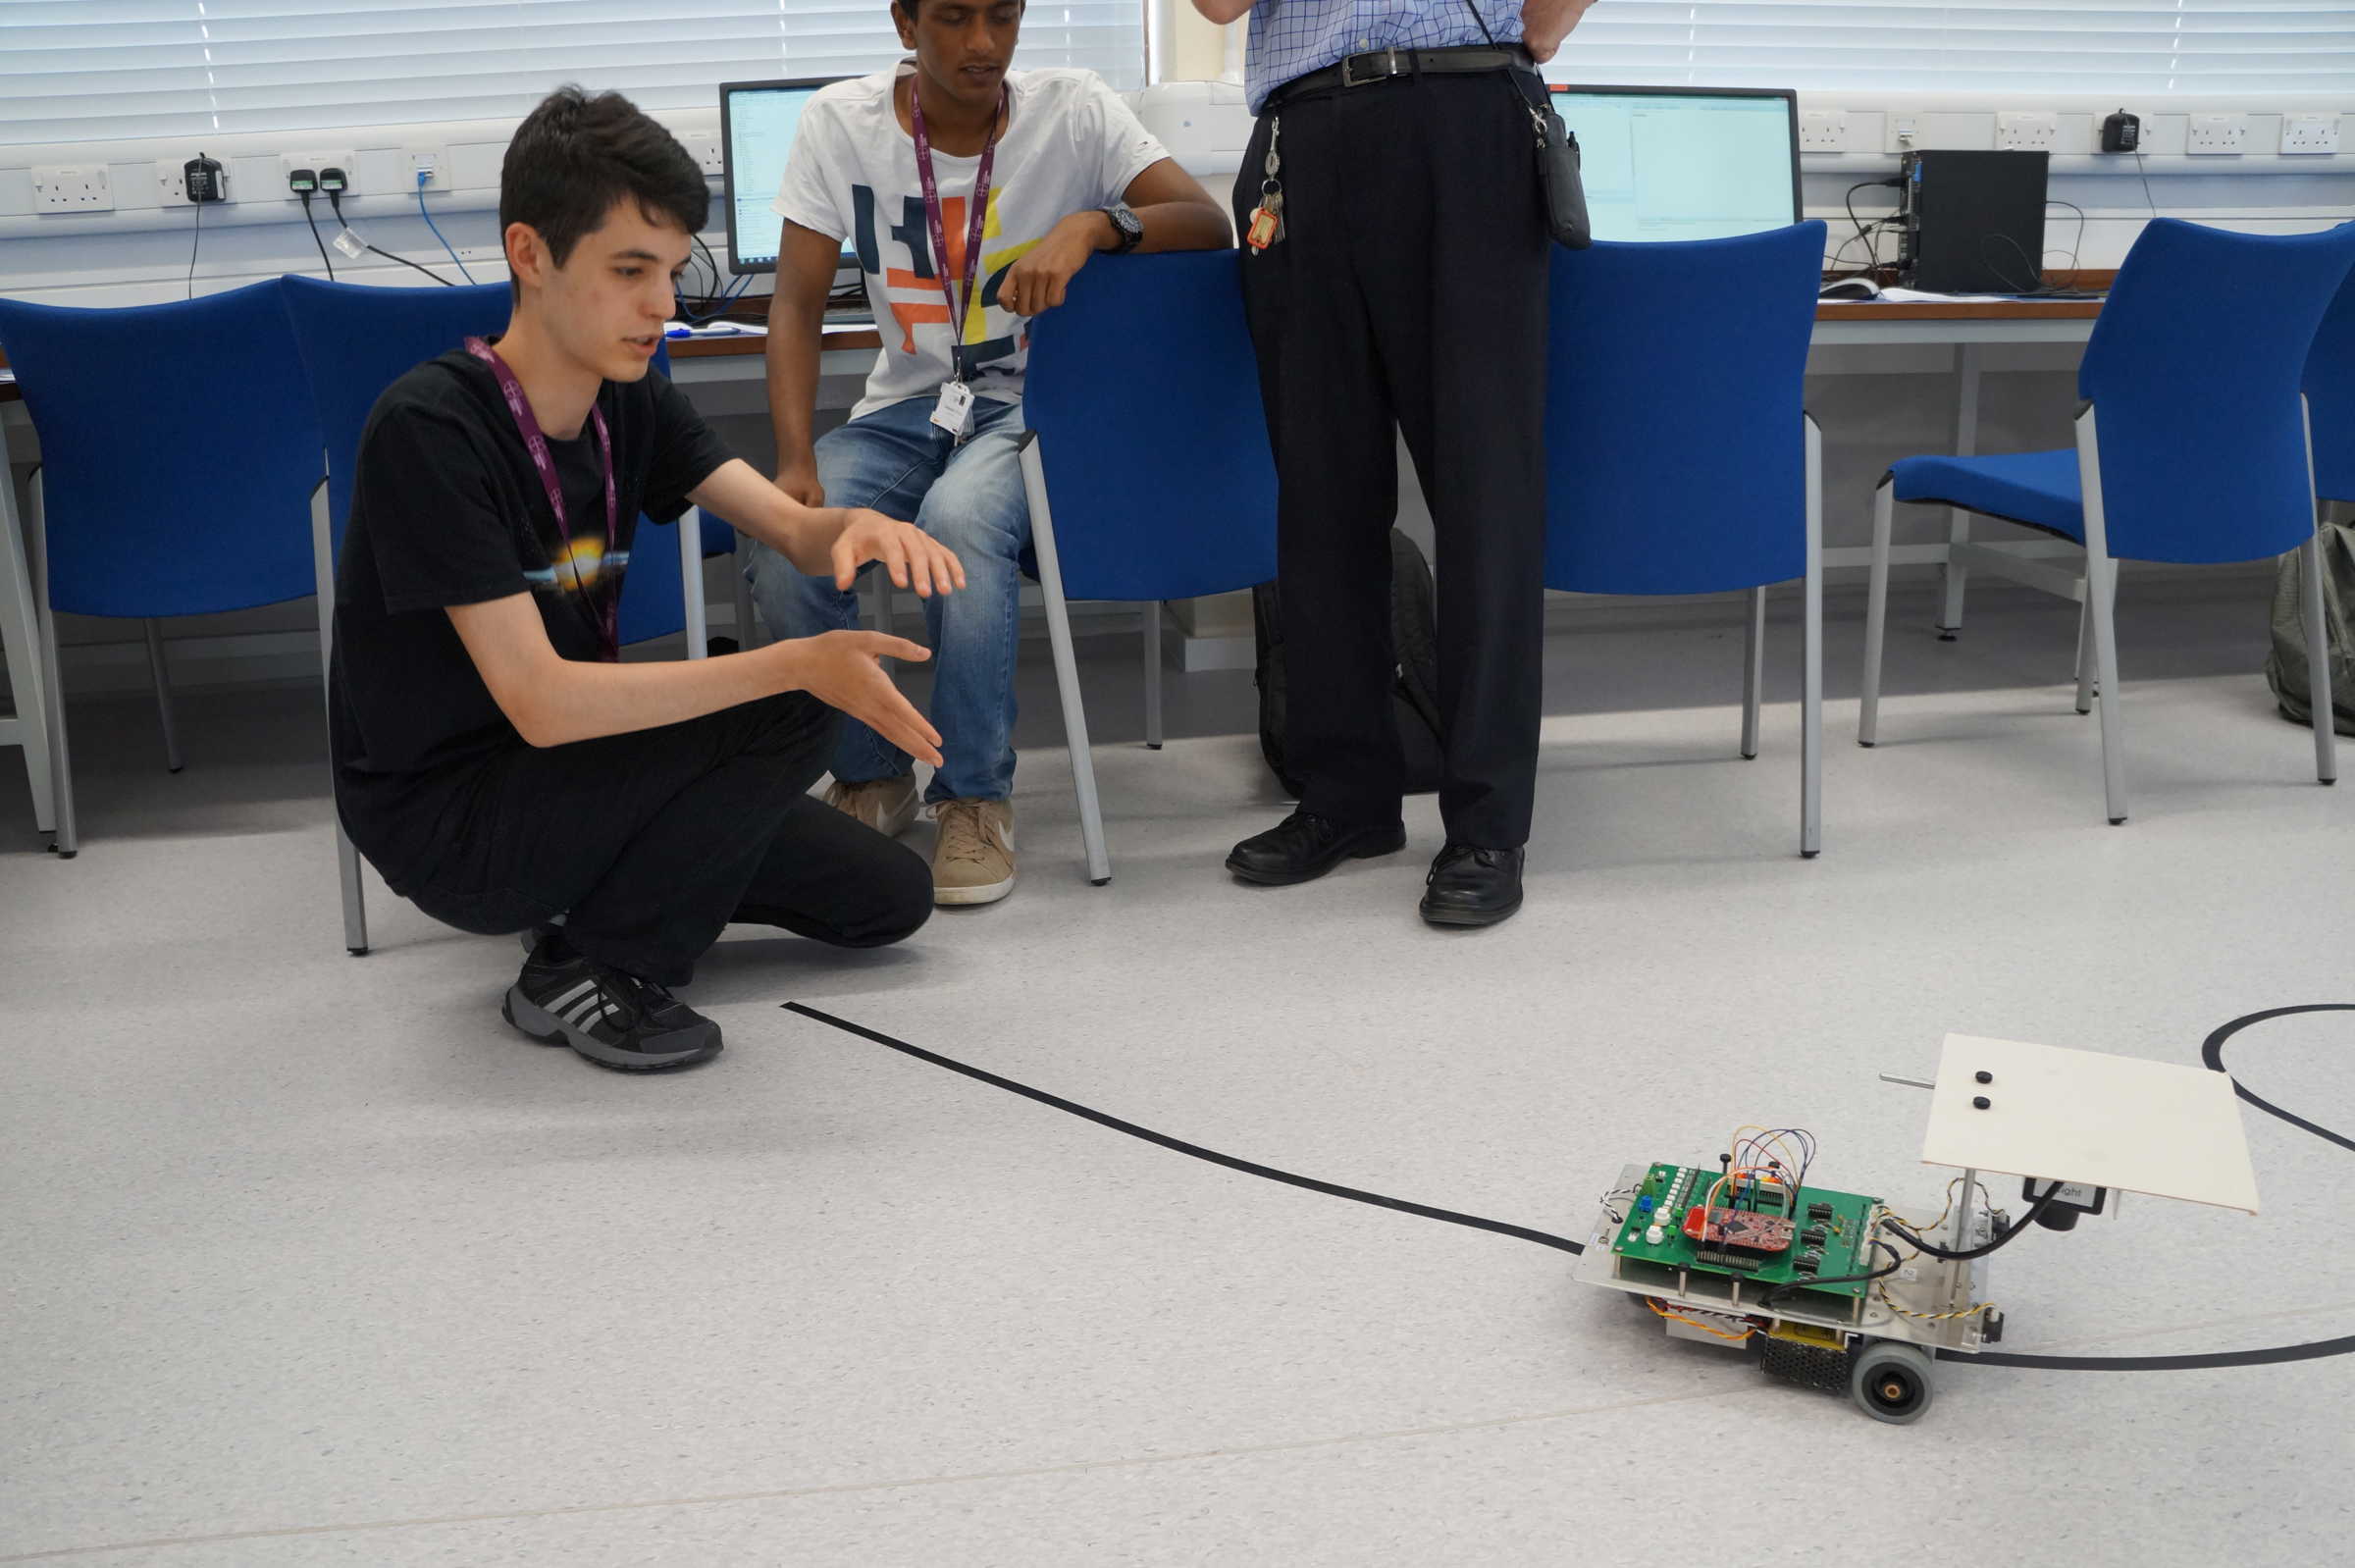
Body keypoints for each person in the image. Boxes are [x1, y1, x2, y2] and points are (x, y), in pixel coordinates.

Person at [331, 86, 969, 1073]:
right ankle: (595, 960)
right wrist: (799, 661)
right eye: (631, 271)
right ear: (530, 253)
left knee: (889, 899)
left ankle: (604, 892)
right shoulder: (432, 430)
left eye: (672, 271)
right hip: (456, 819)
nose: (663, 306)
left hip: (586, 772)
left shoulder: (629, 399)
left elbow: (794, 531)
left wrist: (861, 526)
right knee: (792, 693)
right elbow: (539, 703)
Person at [750, 0, 1230, 907]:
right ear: (905, 22)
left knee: (960, 521)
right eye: (955, 18)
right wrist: (792, 465)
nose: (982, 44)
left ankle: (975, 797)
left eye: (1002, 17)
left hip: (1027, 408)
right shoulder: (838, 123)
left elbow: (1205, 222)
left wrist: (1095, 225)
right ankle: (873, 774)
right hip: (904, 411)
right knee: (790, 539)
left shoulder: (1074, 108)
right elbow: (797, 306)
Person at [1198, 0, 1596, 928]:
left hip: (1466, 117)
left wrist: (1541, 29)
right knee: (1321, 493)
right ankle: (1346, 797)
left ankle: (1489, 823)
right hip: (1301, 138)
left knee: (1484, 496)